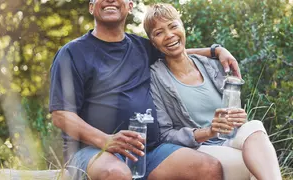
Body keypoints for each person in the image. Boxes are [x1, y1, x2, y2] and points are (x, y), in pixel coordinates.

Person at [49, 0, 242, 179]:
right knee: (117, 173)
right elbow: (60, 115)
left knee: (209, 168)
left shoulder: (141, 47)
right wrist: (106, 140)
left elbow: (176, 52)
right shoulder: (72, 53)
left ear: (130, 6)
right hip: (93, 150)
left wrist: (216, 51)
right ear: (91, 7)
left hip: (148, 150)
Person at [144, 3, 282, 180]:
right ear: (153, 42)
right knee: (247, 164)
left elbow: (233, 113)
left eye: (173, 26)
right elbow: (166, 134)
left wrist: (238, 118)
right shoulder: (155, 78)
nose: (169, 35)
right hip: (200, 146)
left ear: (182, 26)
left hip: (232, 137)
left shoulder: (211, 64)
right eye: (159, 32)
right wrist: (209, 131)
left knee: (255, 127)